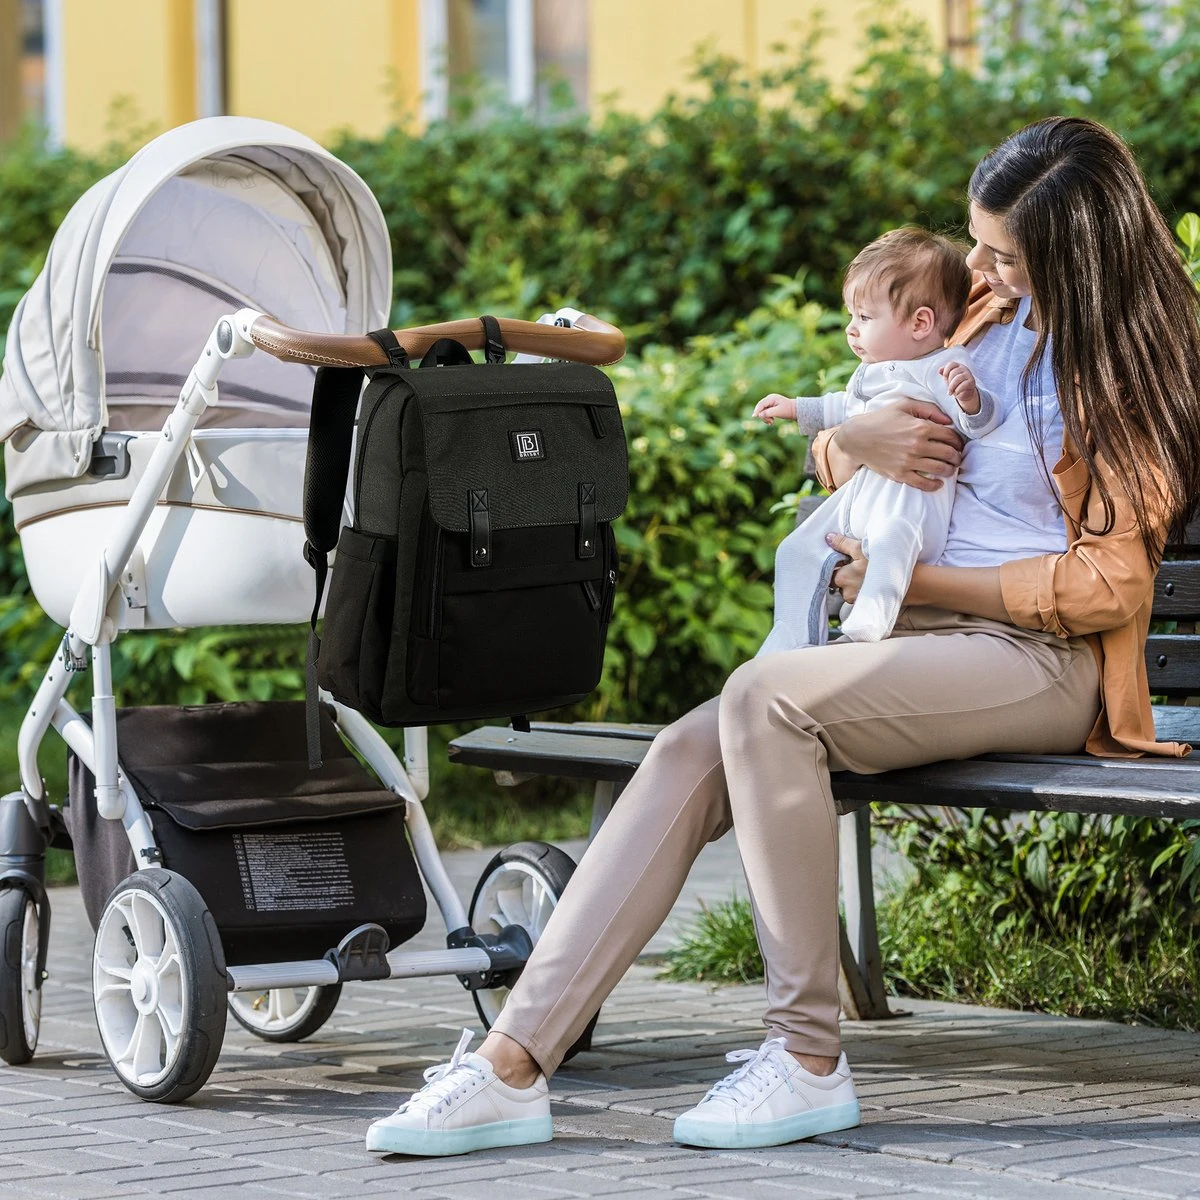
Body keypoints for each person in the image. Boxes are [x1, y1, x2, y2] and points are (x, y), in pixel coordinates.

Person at [364, 116, 1200, 1158]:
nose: (979, 268)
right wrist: (849, 439)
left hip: (1037, 660)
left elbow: (1109, 586)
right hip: (904, 636)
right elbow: (862, 437)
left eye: (1004, 254)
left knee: (766, 699)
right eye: (978, 243)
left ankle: (806, 1057)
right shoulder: (983, 313)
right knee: (684, 747)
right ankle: (509, 1066)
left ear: (1078, 259)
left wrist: (922, 577)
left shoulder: (1128, 370)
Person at [752, 227, 999, 652]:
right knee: (795, 550)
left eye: (864, 318)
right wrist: (794, 407)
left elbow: (976, 425)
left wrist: (972, 401)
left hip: (912, 501)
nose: (851, 329)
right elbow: (842, 407)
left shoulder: (946, 366)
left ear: (921, 322)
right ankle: (788, 638)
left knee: (891, 540)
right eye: (851, 316)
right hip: (865, 495)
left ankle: (871, 619)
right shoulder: (873, 370)